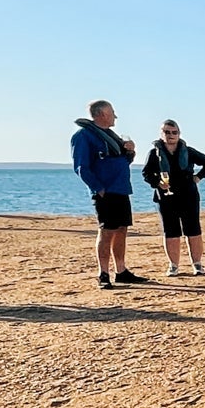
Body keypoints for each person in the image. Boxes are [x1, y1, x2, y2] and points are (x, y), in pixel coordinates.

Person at [70, 100, 145, 290]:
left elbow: (121, 162)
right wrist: (98, 188)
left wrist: (130, 152)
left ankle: (121, 271)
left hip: (121, 188)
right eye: (112, 112)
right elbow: (81, 167)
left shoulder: (112, 136)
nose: (115, 116)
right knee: (106, 230)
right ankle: (103, 273)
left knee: (121, 229)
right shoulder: (84, 136)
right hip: (105, 191)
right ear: (101, 114)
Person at [140, 119, 205, 276]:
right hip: (165, 197)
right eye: (167, 132)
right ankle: (173, 266)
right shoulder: (154, 154)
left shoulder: (188, 151)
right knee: (171, 231)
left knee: (193, 230)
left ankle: (197, 265)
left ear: (179, 134)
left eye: (174, 132)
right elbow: (146, 173)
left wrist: (198, 177)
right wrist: (158, 183)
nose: (171, 135)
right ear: (161, 134)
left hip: (188, 195)